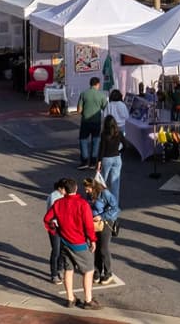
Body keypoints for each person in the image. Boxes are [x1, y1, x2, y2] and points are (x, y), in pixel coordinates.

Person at [44, 177, 100, 310]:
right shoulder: (82, 204)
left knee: (68, 269)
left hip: (64, 241)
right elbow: (88, 225)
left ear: (64, 190)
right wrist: (92, 239)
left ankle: (70, 298)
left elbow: (47, 219)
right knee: (89, 270)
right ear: (75, 189)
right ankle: (88, 300)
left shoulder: (58, 203)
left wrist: (55, 230)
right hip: (78, 242)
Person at [88, 174, 121, 286]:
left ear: (94, 187)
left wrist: (101, 216)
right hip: (95, 224)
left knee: (103, 248)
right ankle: (97, 271)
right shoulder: (90, 195)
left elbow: (115, 209)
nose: (86, 190)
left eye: (87, 188)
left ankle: (108, 273)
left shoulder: (105, 194)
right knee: (96, 247)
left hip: (106, 223)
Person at [77, 77, 110, 169]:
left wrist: (84, 112)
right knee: (96, 141)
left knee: (83, 140)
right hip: (96, 122)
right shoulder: (102, 95)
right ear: (98, 84)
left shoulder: (83, 94)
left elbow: (79, 110)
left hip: (85, 121)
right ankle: (93, 162)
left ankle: (84, 161)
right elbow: (106, 109)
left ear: (90, 84)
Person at [98, 111, 125, 198]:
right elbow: (126, 145)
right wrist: (120, 152)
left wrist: (99, 161)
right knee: (115, 183)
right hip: (117, 158)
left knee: (102, 181)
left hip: (106, 158)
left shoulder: (104, 135)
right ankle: (115, 205)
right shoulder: (119, 133)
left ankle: (101, 201)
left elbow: (102, 149)